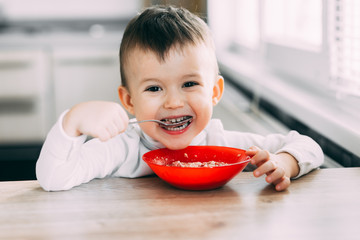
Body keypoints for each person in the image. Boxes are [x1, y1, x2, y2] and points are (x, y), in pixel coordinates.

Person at [36, 5, 323, 192]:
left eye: (189, 83)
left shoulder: (222, 144)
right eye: (154, 88)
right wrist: (72, 122)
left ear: (214, 92)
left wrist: (285, 162)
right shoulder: (122, 149)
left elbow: (309, 146)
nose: (173, 103)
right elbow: (53, 178)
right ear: (129, 101)